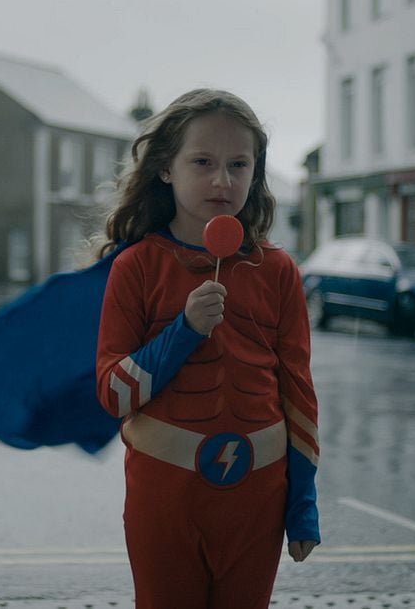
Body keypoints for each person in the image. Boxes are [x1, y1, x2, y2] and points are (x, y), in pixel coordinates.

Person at [94, 89, 321, 609]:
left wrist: (302, 505)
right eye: (203, 162)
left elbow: (299, 396)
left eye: (239, 164)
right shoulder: (136, 268)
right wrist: (185, 330)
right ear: (166, 169)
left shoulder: (279, 271)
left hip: (258, 497)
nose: (223, 181)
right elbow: (113, 394)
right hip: (165, 495)